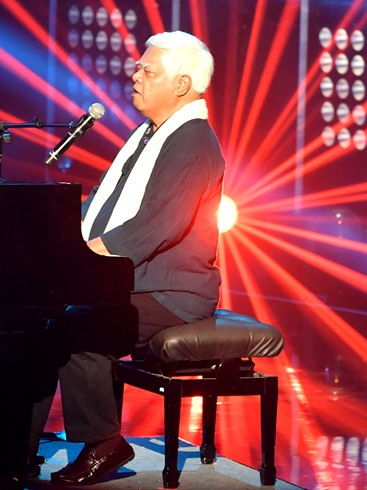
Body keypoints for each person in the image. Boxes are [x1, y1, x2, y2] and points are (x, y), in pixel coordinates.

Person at [35, 30, 225, 485]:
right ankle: (12, 453)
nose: (134, 74)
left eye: (147, 69)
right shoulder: (148, 135)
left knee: (73, 325)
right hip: (138, 279)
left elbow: (157, 225)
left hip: (172, 291)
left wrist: (82, 261)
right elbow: (103, 205)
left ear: (181, 85)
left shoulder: (193, 142)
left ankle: (104, 442)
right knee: (35, 322)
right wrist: (59, 240)